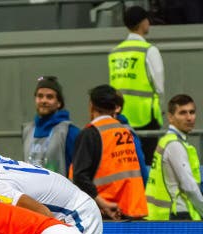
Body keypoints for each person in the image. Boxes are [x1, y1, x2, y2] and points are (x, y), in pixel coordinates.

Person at [72, 84, 148, 221]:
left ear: (91, 106)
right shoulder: (127, 133)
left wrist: (102, 203)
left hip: (106, 213)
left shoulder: (90, 134)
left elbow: (80, 177)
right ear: (115, 108)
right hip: (133, 212)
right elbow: (142, 172)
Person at [109, 5, 164, 159]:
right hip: (146, 117)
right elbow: (159, 87)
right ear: (143, 23)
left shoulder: (115, 53)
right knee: (146, 163)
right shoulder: (148, 50)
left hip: (120, 117)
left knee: (126, 160)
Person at [146, 94, 203, 220]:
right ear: (170, 118)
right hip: (177, 213)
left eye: (192, 112)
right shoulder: (174, 145)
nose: (189, 118)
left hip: (167, 214)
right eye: (182, 113)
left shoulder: (167, 141)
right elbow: (189, 187)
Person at [21, 75, 80, 175]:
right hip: (31, 190)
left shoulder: (69, 131)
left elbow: (77, 172)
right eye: (40, 96)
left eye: (49, 97)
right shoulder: (27, 130)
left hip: (59, 190)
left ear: (59, 103)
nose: (44, 101)